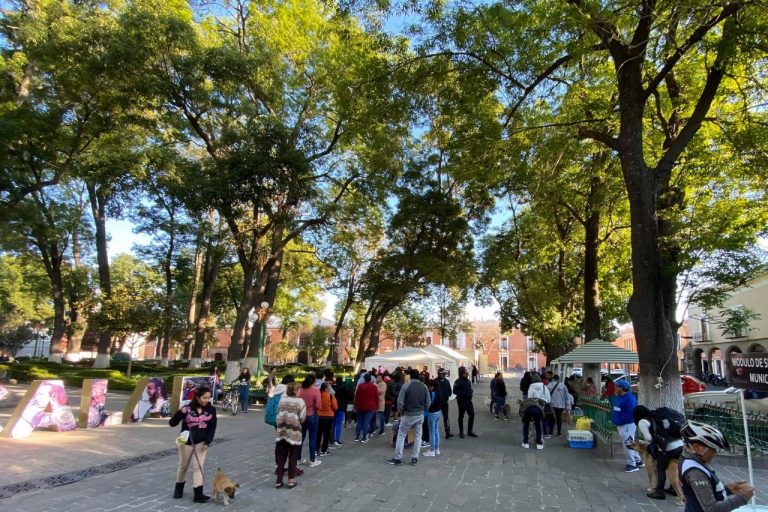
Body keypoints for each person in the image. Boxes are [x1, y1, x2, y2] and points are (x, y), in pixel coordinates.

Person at [678, 421, 753, 512]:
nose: (715, 453)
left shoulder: (690, 460)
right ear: (697, 447)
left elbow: (699, 494)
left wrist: (727, 490)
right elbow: (712, 509)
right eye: (713, 448)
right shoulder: (695, 472)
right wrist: (742, 497)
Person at [169, 386, 217, 503]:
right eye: (204, 398)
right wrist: (180, 413)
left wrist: (208, 441)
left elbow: (212, 427)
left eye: (208, 398)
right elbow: (172, 423)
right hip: (185, 441)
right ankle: (178, 488)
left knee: (198, 467)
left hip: (201, 442)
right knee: (183, 466)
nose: (207, 400)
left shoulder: (211, 410)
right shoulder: (187, 408)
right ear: (197, 397)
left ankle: (198, 494)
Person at [634, 405, 684, 500]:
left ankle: (659, 491)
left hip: (667, 447)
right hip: (680, 444)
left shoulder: (642, 421)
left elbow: (649, 439)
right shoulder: (656, 416)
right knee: (673, 469)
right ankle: (672, 489)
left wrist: (643, 442)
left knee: (660, 469)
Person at [388, 369, 431, 466]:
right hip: (420, 415)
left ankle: (398, 458)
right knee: (418, 436)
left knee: (401, 435)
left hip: (408, 414)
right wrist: (423, 409)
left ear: (410, 376)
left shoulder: (406, 386)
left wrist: (401, 411)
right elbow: (428, 402)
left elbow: (400, 401)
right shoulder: (424, 387)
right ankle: (415, 458)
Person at [275, 382, 306, 489]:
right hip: (294, 433)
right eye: (299, 389)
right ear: (295, 391)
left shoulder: (282, 400)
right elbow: (302, 417)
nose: (300, 391)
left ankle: (278, 480)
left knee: (281, 457)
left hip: (282, 431)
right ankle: (291, 480)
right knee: (293, 457)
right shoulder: (300, 402)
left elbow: (278, 414)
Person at [612, 379, 643, 472]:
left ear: (623, 388)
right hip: (621, 424)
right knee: (630, 442)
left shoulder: (629, 399)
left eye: (618, 386)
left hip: (627, 424)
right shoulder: (620, 397)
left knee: (628, 444)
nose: (616, 388)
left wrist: (622, 420)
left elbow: (632, 412)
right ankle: (638, 461)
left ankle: (632, 464)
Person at [297, 375, 321, 467]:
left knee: (300, 438)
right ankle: (312, 460)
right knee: (312, 438)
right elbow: (318, 405)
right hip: (312, 415)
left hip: (301, 416)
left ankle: (297, 459)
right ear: (313, 381)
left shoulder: (300, 390)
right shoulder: (315, 391)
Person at [521, 373, 550, 449]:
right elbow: (549, 399)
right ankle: (539, 444)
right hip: (540, 409)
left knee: (526, 425)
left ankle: (526, 442)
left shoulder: (531, 386)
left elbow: (530, 398)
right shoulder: (544, 387)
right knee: (538, 426)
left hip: (530, 409)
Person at [452, 366, 478, 438]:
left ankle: (470, 431)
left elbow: (470, 388)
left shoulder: (468, 381)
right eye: (465, 372)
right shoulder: (457, 381)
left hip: (469, 401)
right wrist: (463, 394)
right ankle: (461, 432)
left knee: (472, 415)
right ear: (461, 373)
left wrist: (471, 392)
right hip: (461, 401)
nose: (466, 373)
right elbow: (454, 391)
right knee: (461, 416)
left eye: (466, 371)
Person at [354, 373, 379, 443]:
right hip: (370, 407)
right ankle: (364, 437)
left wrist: (355, 405)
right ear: (370, 379)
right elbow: (376, 397)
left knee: (359, 421)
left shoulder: (360, 386)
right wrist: (376, 406)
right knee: (366, 422)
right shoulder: (374, 387)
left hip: (360, 406)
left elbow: (357, 396)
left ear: (364, 379)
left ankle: (357, 436)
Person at [316, 382, 337, 456]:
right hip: (328, 416)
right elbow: (335, 407)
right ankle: (323, 450)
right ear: (326, 388)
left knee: (318, 434)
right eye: (329, 387)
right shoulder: (330, 396)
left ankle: (316, 449)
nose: (330, 388)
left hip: (319, 416)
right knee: (326, 434)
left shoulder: (318, 395)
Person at [423, 379, 443, 457]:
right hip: (438, 412)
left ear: (432, 386)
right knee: (436, 431)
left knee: (432, 432)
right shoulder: (440, 393)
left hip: (432, 414)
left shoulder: (432, 393)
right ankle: (437, 449)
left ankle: (432, 450)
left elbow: (429, 404)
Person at [332, 376, 352, 446]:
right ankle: (337, 439)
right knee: (338, 424)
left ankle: (331, 439)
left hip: (333, 407)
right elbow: (350, 396)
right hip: (342, 407)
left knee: (333, 424)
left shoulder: (333, 388)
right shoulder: (345, 388)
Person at [435, 369, 453, 438]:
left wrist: (447, 396)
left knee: (446, 417)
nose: (444, 376)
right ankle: (435, 433)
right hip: (437, 403)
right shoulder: (435, 381)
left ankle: (447, 433)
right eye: (443, 374)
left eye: (444, 374)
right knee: (436, 418)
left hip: (445, 403)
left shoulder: (447, 382)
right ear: (439, 374)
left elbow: (450, 391)